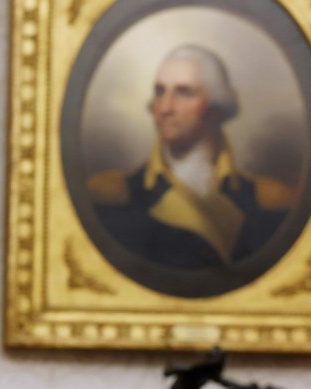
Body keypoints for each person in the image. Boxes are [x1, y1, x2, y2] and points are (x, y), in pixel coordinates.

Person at [88, 44, 292, 269]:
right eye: (160, 92)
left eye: (184, 93)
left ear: (215, 108)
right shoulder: (113, 195)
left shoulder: (267, 201)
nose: (165, 108)